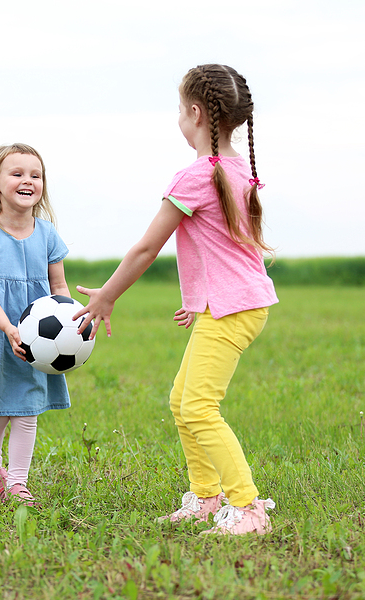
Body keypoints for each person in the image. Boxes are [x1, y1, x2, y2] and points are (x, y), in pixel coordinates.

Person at [75, 64, 278, 535]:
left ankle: (248, 508)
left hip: (232, 310)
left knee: (199, 406)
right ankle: (206, 497)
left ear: (194, 113)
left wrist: (107, 295)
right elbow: (229, 249)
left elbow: (147, 247)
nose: (179, 122)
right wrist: (203, 300)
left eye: (179, 112)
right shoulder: (235, 170)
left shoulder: (195, 177)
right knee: (181, 400)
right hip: (235, 304)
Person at [0, 143, 72, 506]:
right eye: (17, 174)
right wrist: (8, 327)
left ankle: (18, 482)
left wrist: (71, 319)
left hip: (39, 335)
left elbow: (59, 287)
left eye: (35, 175)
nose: (27, 181)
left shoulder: (48, 234)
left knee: (28, 407)